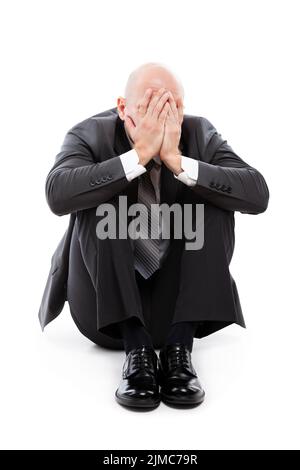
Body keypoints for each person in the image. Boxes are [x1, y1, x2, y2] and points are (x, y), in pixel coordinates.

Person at [38, 62, 269, 409]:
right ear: (122, 108)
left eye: (172, 105)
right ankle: (137, 353)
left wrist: (177, 162)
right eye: (149, 105)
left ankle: (179, 353)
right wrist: (138, 157)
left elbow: (256, 194)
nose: (162, 115)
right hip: (105, 313)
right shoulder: (88, 134)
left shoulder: (198, 133)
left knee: (210, 193)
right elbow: (57, 195)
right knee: (105, 195)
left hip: (176, 310)